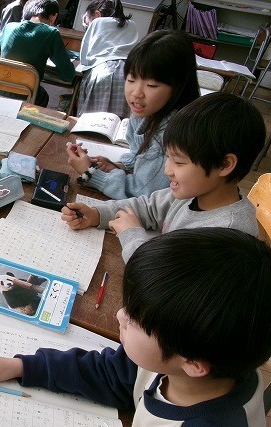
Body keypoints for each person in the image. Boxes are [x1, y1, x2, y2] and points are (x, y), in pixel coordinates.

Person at [0, 227, 271, 427]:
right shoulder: (197, 357)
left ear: (195, 364)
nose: (119, 315)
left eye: (135, 320)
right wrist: (22, 366)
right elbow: (112, 374)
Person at [62, 92, 265, 262]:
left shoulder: (227, 237)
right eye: (168, 157)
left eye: (179, 162)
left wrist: (131, 234)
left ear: (224, 165)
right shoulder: (194, 191)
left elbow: (157, 279)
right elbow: (148, 207)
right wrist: (97, 214)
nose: (168, 170)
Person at [66, 29, 200, 200]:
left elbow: (143, 194)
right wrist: (120, 166)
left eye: (151, 85)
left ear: (178, 87)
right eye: (131, 80)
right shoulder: (146, 112)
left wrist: (91, 174)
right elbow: (138, 154)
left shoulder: (170, 137)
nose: (136, 93)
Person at [0, 0, 76, 108]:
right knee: (44, 95)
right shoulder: (51, 33)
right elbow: (68, 75)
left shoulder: (10, 27)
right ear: (54, 17)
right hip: (27, 94)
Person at [77, 0, 139, 117]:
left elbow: (84, 57)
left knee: (93, 119)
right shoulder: (132, 24)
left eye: (87, 24)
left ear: (97, 14)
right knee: (122, 119)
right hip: (130, 74)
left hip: (103, 72)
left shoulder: (98, 22)